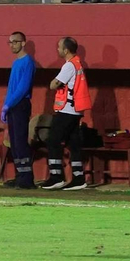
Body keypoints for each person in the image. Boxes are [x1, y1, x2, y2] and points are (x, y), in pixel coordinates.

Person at [41, 36, 90, 191]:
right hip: (76, 110)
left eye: (59, 47)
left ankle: (57, 177)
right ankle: (78, 178)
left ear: (66, 50)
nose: (57, 49)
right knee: (73, 144)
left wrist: (53, 83)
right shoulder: (78, 63)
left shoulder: (69, 66)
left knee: (53, 140)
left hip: (67, 110)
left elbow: (54, 84)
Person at [2, 31, 36, 189]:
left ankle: (27, 178)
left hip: (21, 104)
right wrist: (6, 105)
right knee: (14, 143)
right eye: (10, 42)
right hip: (13, 105)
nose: (12, 45)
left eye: (15, 42)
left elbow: (22, 87)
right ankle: (19, 175)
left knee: (21, 141)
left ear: (23, 43)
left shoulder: (27, 62)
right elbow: (11, 87)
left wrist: (10, 103)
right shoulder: (16, 63)